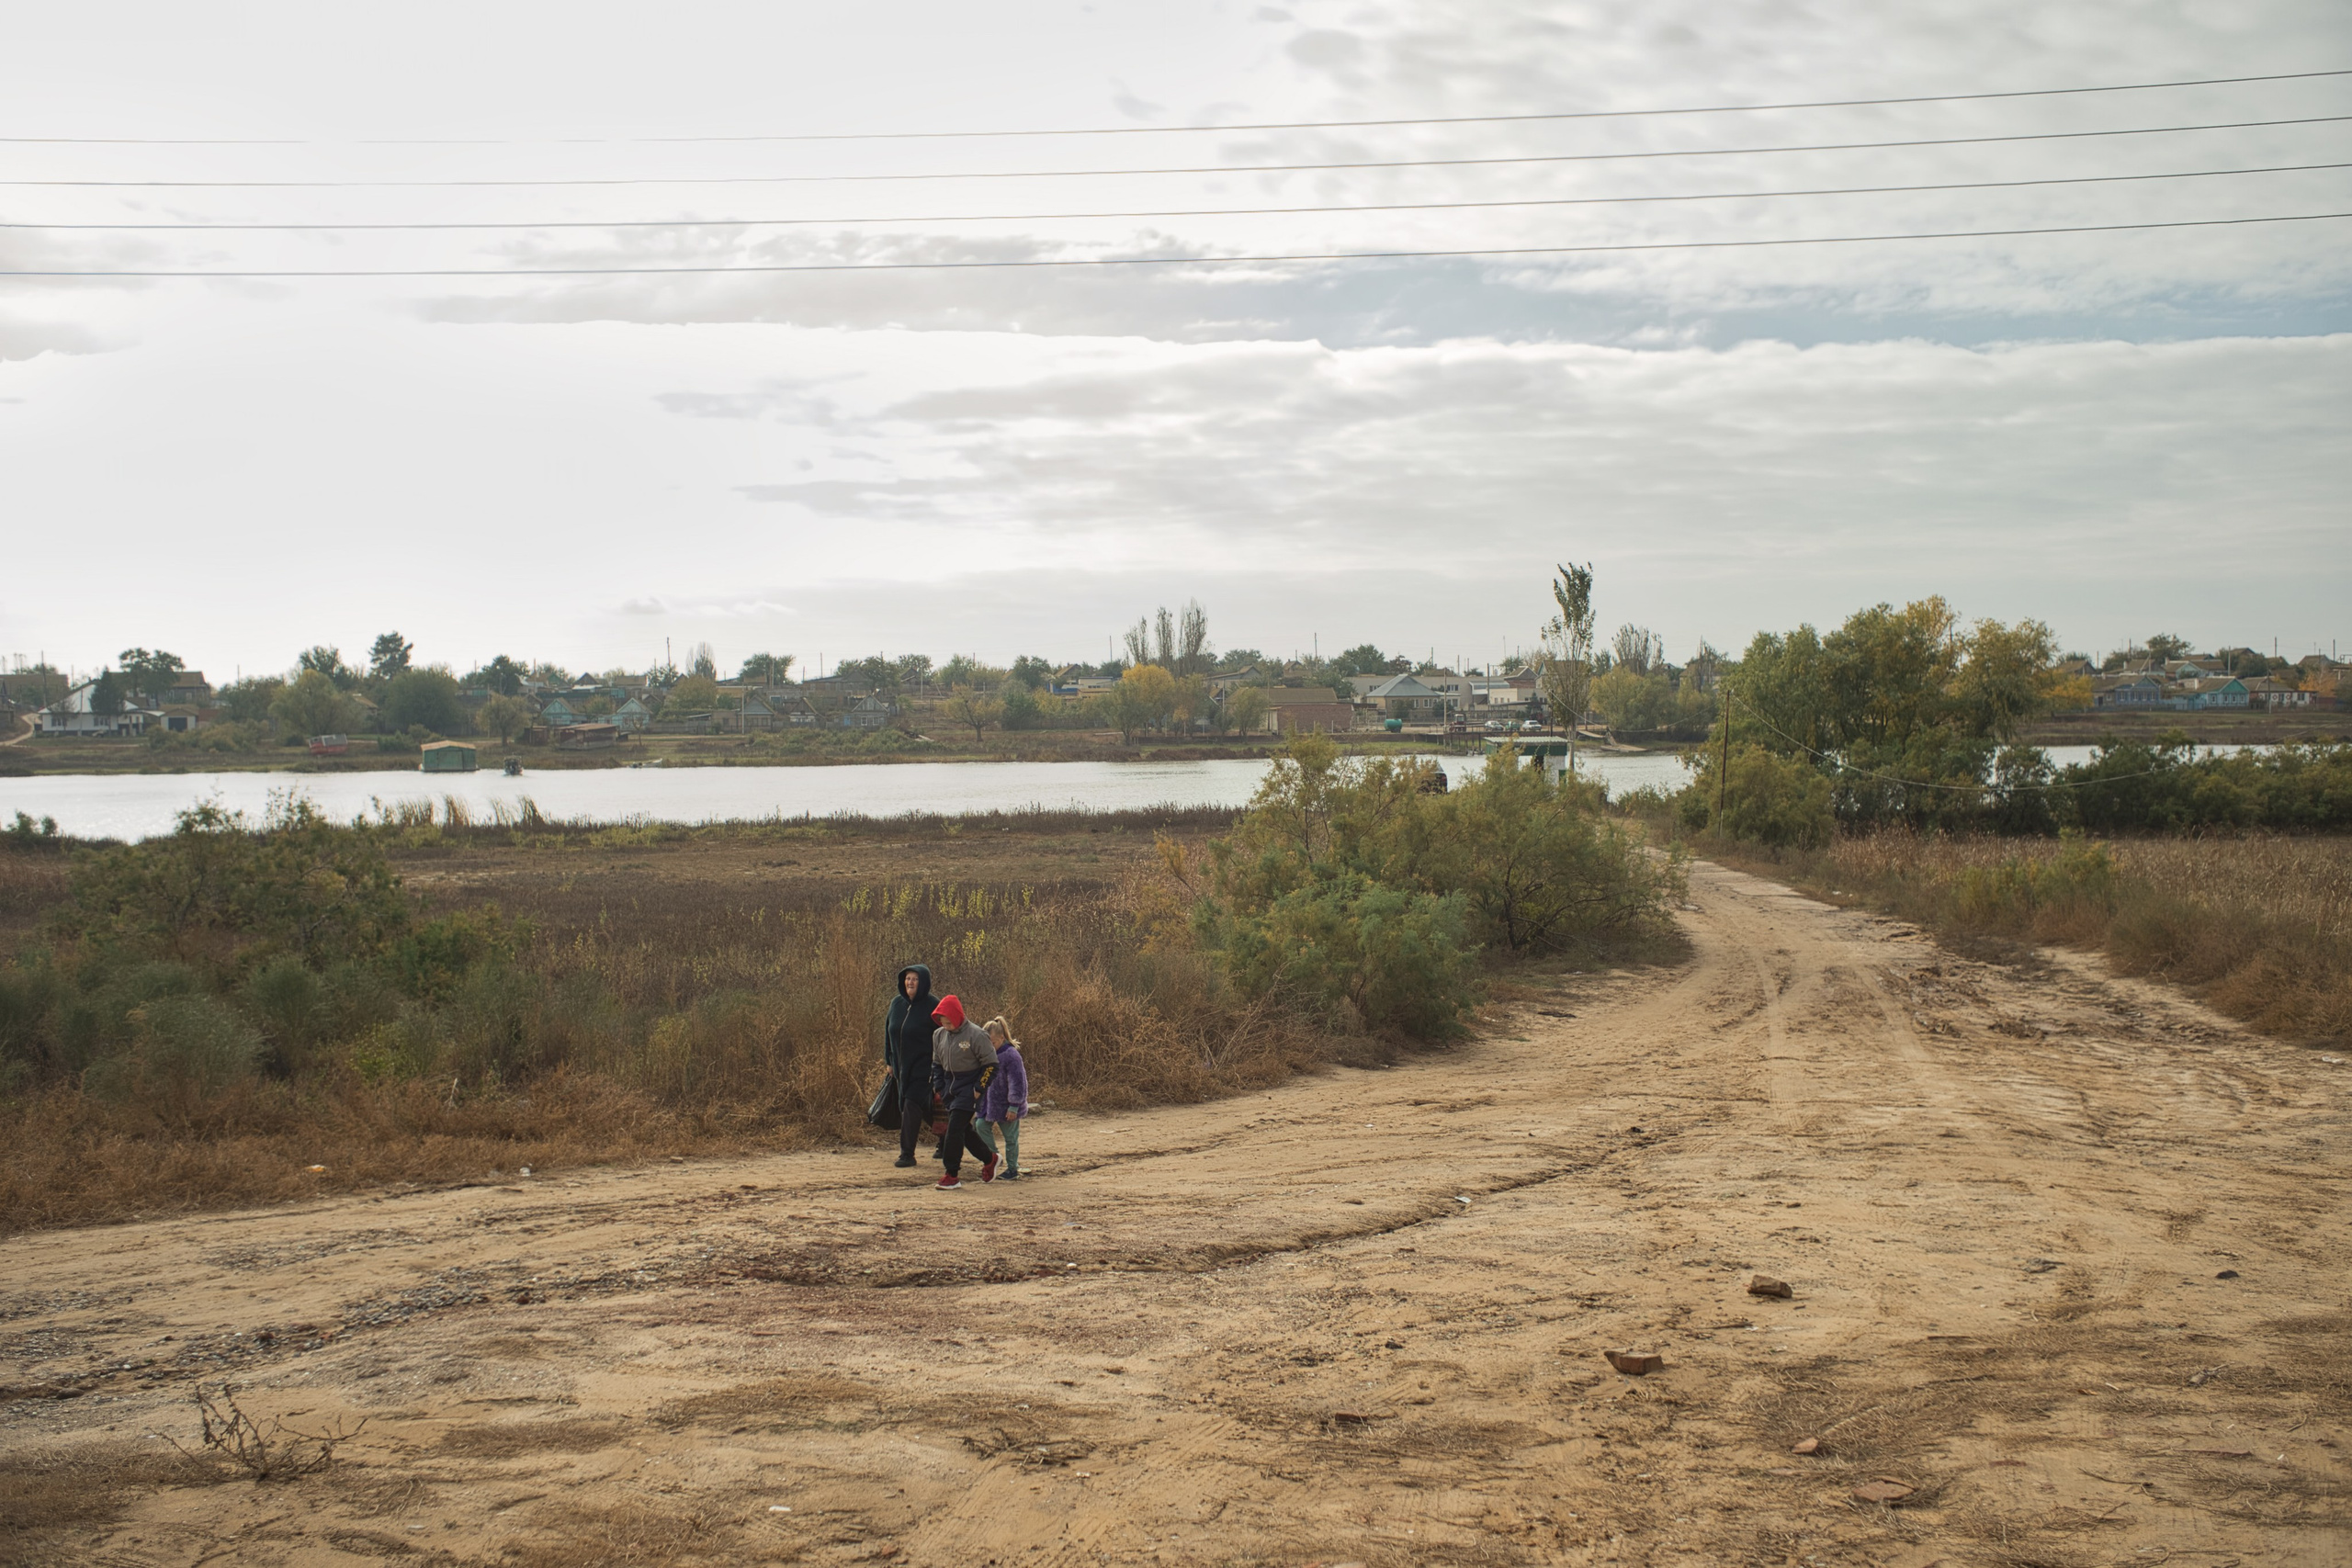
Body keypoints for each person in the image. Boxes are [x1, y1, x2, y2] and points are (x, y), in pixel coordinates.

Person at [929, 994, 1000, 1190]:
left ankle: (951, 1174)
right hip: (949, 1089)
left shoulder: (977, 1035)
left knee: (953, 1130)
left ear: (958, 1017)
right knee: (964, 1131)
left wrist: (978, 1088)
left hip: (970, 1089)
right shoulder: (938, 1035)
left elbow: (992, 1065)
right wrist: (939, 1087)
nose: (946, 1026)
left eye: (949, 1022)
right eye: (943, 1023)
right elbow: (936, 1064)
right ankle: (990, 1159)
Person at [884, 964, 936, 1168]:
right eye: (907, 978)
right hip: (901, 1067)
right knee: (923, 1108)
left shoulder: (933, 1005)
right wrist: (889, 1060)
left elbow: (944, 1034)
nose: (910, 982)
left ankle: (907, 1154)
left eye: (915, 979)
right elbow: (888, 1032)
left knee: (911, 1104)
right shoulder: (896, 1004)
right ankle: (949, 1137)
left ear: (923, 982)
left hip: (924, 1068)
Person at [977, 1016, 1030, 1180]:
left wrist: (1014, 1106)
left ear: (1001, 1038)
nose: (989, 1047)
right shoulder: (987, 1055)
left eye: (992, 1043)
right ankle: (995, 1157)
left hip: (1008, 1106)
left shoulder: (1011, 1055)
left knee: (1010, 1138)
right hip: (989, 1104)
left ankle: (1013, 1169)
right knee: (980, 1126)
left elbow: (1018, 1082)